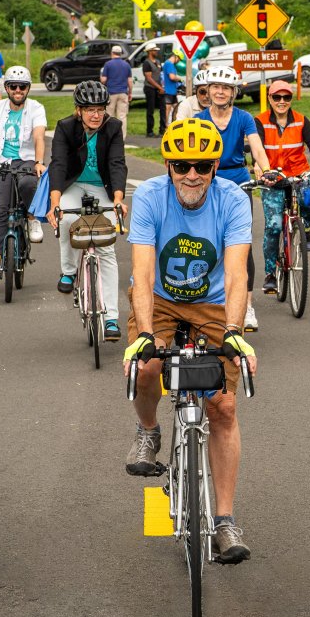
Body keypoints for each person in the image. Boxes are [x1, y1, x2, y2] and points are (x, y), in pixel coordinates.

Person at [122, 117, 258, 563]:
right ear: (167, 164)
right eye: (182, 165)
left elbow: (238, 274)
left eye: (202, 164)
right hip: (160, 300)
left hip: (215, 306)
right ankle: (148, 430)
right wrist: (144, 334)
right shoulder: (149, 197)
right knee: (148, 366)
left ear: (216, 166)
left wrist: (235, 333)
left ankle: (224, 521)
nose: (192, 174)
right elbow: (141, 273)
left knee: (223, 406)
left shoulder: (234, 200)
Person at [47, 81, 129, 339]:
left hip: (101, 187)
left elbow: (117, 164)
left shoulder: (113, 127)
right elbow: (59, 164)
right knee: (65, 220)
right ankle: (69, 271)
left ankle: (112, 318)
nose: (96, 115)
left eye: (100, 109)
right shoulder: (65, 127)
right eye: (89, 109)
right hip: (73, 184)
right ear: (78, 110)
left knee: (106, 247)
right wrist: (55, 203)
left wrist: (117, 199)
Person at [197, 64, 271, 332]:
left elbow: (258, 149)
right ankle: (209, 300)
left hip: (239, 182)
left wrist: (266, 170)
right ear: (208, 90)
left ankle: (247, 305)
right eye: (215, 87)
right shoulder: (198, 119)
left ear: (233, 92)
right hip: (209, 182)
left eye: (225, 88)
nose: (219, 92)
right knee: (207, 240)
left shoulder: (243, 118)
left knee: (242, 244)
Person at [257, 79, 310, 295]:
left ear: (291, 99)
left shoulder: (301, 120)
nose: (282, 102)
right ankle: (270, 274)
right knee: (273, 226)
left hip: (299, 173)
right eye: (277, 97)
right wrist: (260, 169)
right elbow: (256, 149)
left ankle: (306, 229)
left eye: (286, 97)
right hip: (272, 177)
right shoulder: (260, 121)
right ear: (269, 99)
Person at [0, 65, 47, 279]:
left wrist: (38, 162)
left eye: (22, 87)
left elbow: (39, 137)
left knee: (28, 184)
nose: (18, 90)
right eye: (13, 86)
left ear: (28, 89)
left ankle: (31, 216)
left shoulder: (36, 108)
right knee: (0, 210)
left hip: (26, 161)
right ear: (7, 88)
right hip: (2, 163)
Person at [101, 44, 132, 127]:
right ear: (120, 53)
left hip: (111, 92)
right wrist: (130, 93)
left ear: (112, 53)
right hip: (123, 92)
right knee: (122, 116)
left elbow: (103, 80)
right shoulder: (126, 65)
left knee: (109, 116)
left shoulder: (108, 64)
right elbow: (130, 81)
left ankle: (110, 137)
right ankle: (121, 138)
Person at [142, 43, 166, 137]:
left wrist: (162, 86)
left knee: (163, 109)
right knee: (150, 110)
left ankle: (162, 129)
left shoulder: (158, 62)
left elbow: (161, 74)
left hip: (159, 88)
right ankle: (150, 131)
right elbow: (149, 78)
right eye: (154, 50)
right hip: (150, 88)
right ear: (150, 51)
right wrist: (159, 87)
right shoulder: (147, 63)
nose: (156, 51)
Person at [162, 50, 182, 119]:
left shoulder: (169, 64)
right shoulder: (169, 64)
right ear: (176, 57)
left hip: (172, 90)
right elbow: (172, 77)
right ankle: (165, 126)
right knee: (168, 109)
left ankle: (177, 124)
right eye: (179, 59)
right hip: (169, 91)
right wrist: (179, 79)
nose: (179, 61)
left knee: (177, 109)